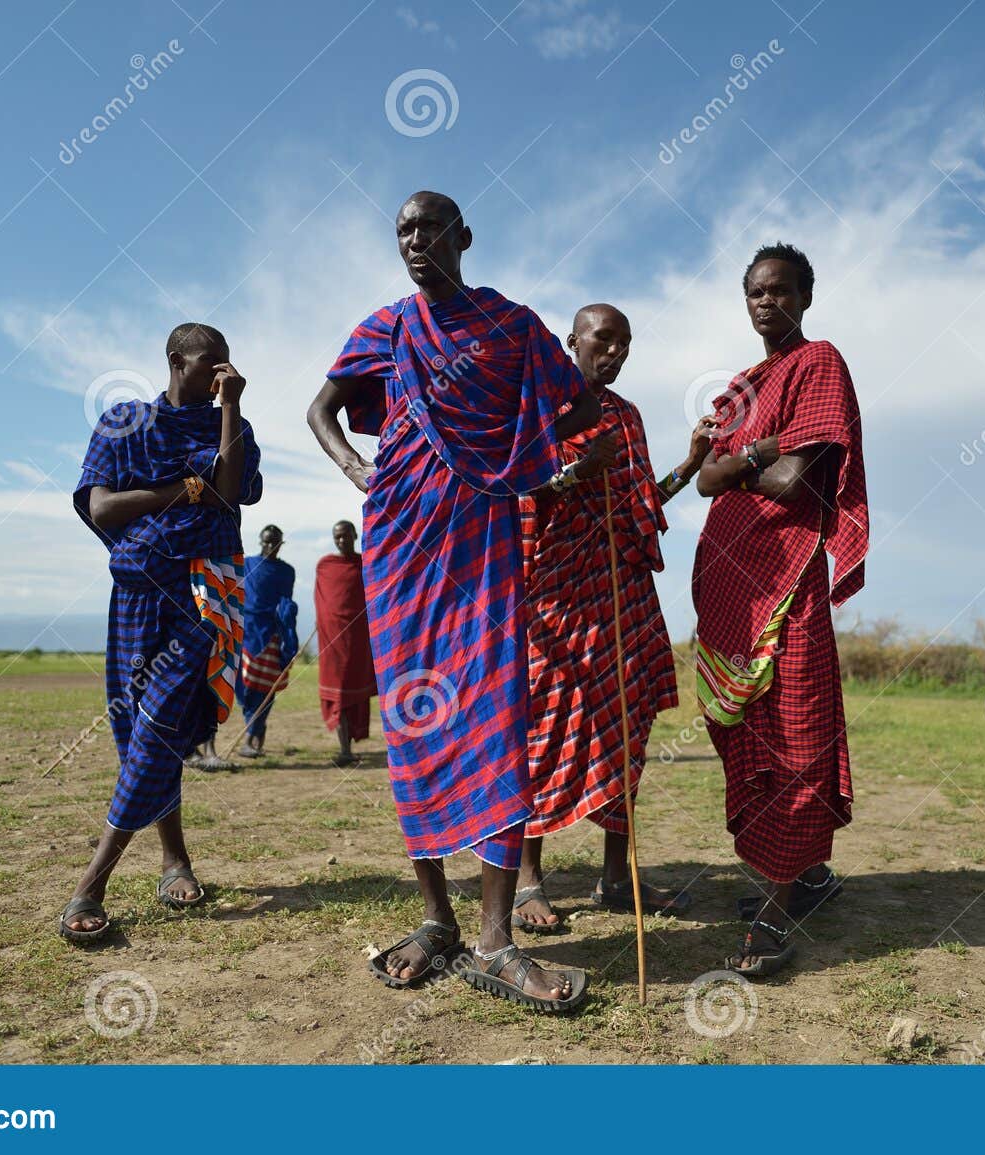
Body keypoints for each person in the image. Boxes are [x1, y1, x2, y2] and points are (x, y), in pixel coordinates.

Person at [307, 191, 600, 1013]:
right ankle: (439, 919)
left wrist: (515, 453)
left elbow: (575, 400)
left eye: (428, 227)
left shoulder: (510, 326)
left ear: (463, 237)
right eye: (402, 230)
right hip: (400, 543)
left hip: (482, 537)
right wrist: (362, 474)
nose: (414, 240)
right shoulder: (387, 327)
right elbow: (321, 409)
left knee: (497, 714)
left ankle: (496, 937)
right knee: (416, 723)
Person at [692, 242, 868, 979]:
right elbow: (704, 478)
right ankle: (800, 874)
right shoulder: (741, 385)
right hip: (732, 588)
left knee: (795, 726)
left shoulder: (819, 362)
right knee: (747, 733)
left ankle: (776, 903)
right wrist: (744, 456)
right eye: (756, 292)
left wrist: (744, 459)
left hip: (787, 583)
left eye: (781, 290)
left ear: (805, 294)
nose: (768, 302)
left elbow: (797, 482)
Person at [511, 303, 714, 934]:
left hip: (619, 595)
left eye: (625, 343)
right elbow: (518, 492)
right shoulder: (540, 408)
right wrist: (577, 472)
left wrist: (691, 459)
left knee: (627, 729)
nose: (616, 352)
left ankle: (615, 876)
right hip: (555, 599)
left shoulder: (626, 416)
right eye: (604, 340)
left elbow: (643, 502)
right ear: (572, 341)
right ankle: (525, 880)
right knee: (542, 730)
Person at [58, 322, 261, 943]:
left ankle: (91, 882)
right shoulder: (125, 422)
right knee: (136, 734)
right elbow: (100, 508)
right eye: (209, 365)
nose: (220, 373)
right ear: (176, 361)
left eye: (227, 364)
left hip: (204, 595)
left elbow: (230, 496)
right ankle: (175, 860)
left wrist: (229, 410)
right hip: (135, 594)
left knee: (159, 727)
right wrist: (179, 490)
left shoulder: (233, 427)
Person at [314, 519, 377, 767]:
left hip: (359, 640)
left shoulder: (366, 564)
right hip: (332, 641)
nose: (342, 541)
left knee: (353, 690)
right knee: (338, 691)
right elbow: (323, 604)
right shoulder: (325, 566)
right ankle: (344, 749)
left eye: (346, 536)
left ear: (355, 535)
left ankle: (347, 745)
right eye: (337, 537)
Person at [236, 524, 298, 759]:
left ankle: (253, 738)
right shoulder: (246, 565)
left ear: (281, 544)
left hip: (272, 635)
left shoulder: (286, 571)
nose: (270, 546)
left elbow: (286, 603)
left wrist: (287, 617)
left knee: (266, 689)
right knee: (246, 689)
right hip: (246, 634)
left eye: (275, 542)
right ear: (260, 542)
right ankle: (255, 733)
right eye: (266, 542)